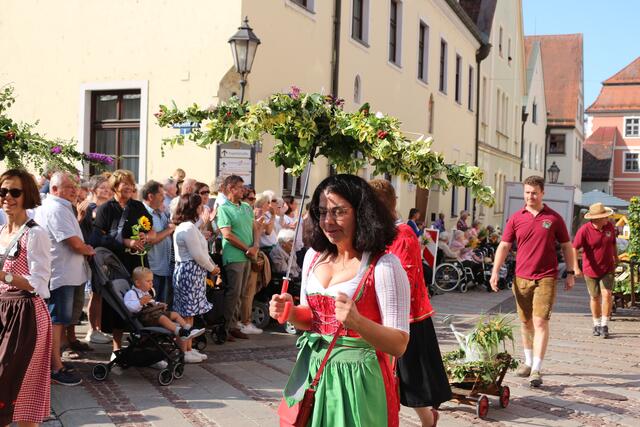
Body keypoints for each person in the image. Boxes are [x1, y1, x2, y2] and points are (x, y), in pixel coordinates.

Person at [270, 174, 410, 427]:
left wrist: (358, 322)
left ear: (362, 213)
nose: (328, 221)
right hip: (314, 370)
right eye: (322, 212)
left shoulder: (384, 265)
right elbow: (311, 320)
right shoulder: (313, 257)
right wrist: (290, 313)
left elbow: (399, 344)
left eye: (339, 212)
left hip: (359, 381)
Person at [370, 179, 450, 427]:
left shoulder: (403, 233)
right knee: (391, 379)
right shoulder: (378, 233)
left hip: (408, 317)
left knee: (411, 381)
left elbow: (403, 276)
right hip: (382, 316)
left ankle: (428, 420)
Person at [489, 175, 575, 388]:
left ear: (543, 193)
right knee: (525, 321)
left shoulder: (554, 218)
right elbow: (504, 246)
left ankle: (536, 368)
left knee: (540, 321)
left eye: (534, 193)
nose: (530, 196)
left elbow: (567, 245)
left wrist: (571, 272)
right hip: (521, 277)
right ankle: (528, 362)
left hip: (546, 277)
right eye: (527, 192)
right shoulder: (516, 218)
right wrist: (495, 272)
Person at [0, 169, 52, 425]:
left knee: (18, 385)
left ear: (27, 195)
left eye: (15, 192)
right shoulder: (1, 231)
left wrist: (4, 276)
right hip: (3, 310)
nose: (7, 197)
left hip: (25, 315)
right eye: (3, 191)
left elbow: (38, 284)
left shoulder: (35, 234)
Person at [35, 171, 94, 386]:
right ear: (54, 189)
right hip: (61, 274)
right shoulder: (56, 209)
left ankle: (55, 362)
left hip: (65, 273)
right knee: (57, 320)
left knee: (59, 320)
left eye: (75, 186)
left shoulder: (61, 206)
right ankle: (54, 368)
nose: (74, 190)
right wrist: (88, 249)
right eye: (69, 187)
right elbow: (74, 243)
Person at [90, 169, 154, 358]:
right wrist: (125, 242)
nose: (129, 187)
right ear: (115, 186)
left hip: (138, 262)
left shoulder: (138, 206)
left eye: (131, 184)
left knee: (144, 301)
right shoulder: (106, 209)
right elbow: (96, 239)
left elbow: (151, 229)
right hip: (116, 263)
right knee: (118, 303)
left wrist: (146, 236)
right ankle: (116, 349)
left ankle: (144, 347)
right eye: (125, 183)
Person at [172, 193, 220, 362]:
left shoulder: (188, 226)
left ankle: (189, 348)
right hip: (189, 272)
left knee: (190, 314)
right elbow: (197, 254)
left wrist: (204, 221)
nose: (202, 208)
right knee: (186, 314)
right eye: (200, 206)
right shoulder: (187, 228)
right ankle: (183, 351)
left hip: (192, 272)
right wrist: (212, 268)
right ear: (193, 208)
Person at [217, 175, 260, 341]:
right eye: (241, 187)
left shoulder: (247, 207)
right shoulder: (224, 208)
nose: (244, 190)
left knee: (242, 293)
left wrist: (255, 245)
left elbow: (255, 227)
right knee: (233, 293)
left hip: (248, 255)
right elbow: (227, 234)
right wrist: (247, 248)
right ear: (231, 189)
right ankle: (226, 328)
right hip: (234, 256)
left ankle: (234, 325)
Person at [124, 267, 205, 349]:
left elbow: (151, 302)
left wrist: (158, 304)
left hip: (154, 314)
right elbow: (130, 307)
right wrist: (140, 302)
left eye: (152, 281)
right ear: (138, 283)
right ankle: (179, 332)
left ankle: (188, 328)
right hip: (145, 317)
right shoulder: (131, 294)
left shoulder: (144, 292)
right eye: (148, 281)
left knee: (175, 314)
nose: (151, 284)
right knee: (162, 318)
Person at [572, 203, 617, 338]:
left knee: (607, 294)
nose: (607, 218)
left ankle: (604, 325)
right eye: (604, 217)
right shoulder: (584, 230)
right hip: (590, 269)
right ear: (596, 219)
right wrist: (575, 267)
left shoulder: (609, 227)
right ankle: (596, 324)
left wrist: (616, 257)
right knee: (595, 297)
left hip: (607, 267)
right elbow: (574, 248)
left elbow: (613, 243)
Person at [79, 174, 113, 345]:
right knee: (95, 293)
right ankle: (92, 330)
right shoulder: (92, 208)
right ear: (93, 190)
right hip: (92, 255)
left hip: (99, 255)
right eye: (103, 188)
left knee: (99, 293)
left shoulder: (101, 208)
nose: (107, 191)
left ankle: (97, 329)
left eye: (108, 188)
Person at [141, 180, 175, 304]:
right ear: (150, 196)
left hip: (163, 267)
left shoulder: (159, 212)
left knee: (161, 306)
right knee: (152, 306)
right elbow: (150, 239)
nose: (164, 198)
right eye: (161, 195)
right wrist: (169, 229)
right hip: (152, 269)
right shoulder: (143, 214)